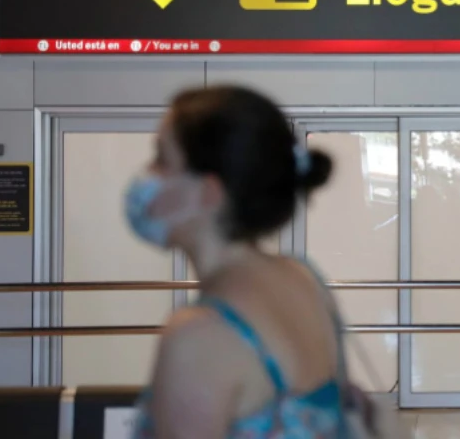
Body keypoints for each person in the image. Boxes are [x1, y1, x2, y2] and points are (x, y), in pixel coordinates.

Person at [124, 85, 362, 439]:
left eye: (161, 159)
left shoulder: (199, 337)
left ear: (208, 193)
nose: (146, 175)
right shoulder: (302, 278)